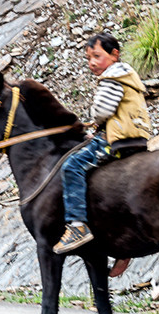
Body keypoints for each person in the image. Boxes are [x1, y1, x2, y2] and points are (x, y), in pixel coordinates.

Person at [54, 32, 152, 254]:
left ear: (114, 54)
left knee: (72, 166)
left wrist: (92, 118)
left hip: (118, 141)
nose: (92, 63)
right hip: (136, 137)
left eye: (97, 56)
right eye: (89, 59)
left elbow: (103, 111)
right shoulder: (129, 77)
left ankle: (77, 225)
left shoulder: (112, 78)